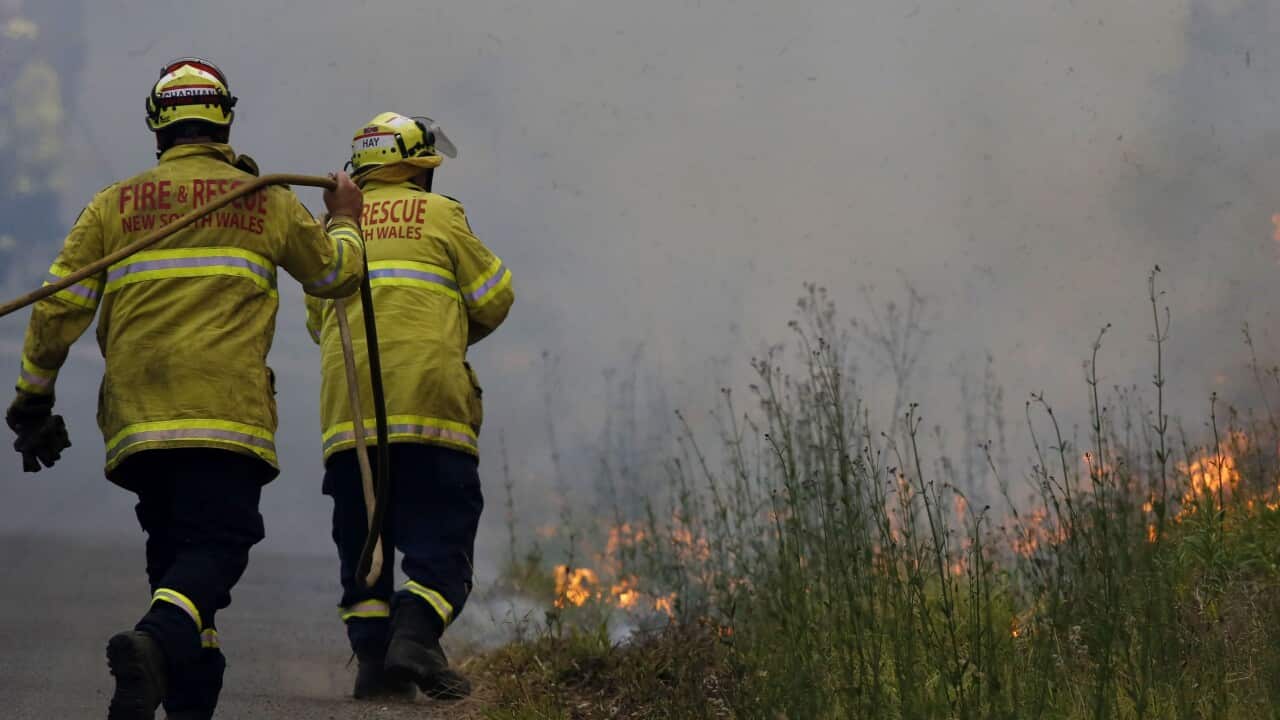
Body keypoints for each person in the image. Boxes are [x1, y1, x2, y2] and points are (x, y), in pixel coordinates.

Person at [4, 57, 366, 720]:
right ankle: (153, 642)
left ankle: (180, 697)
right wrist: (344, 216)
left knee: (176, 562)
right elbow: (338, 277)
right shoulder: (268, 200)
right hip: (225, 418)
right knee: (216, 548)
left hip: (138, 424)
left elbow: (57, 307)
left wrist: (33, 399)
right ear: (224, 118)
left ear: (156, 124)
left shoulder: (112, 206)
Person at [305, 111, 513, 701]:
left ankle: (375, 664)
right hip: (431, 411)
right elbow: (495, 298)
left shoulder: (333, 229)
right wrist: (442, 327)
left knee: (363, 543)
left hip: (352, 418)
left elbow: (318, 322)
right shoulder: (443, 215)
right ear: (419, 172)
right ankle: (416, 634)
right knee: (443, 532)